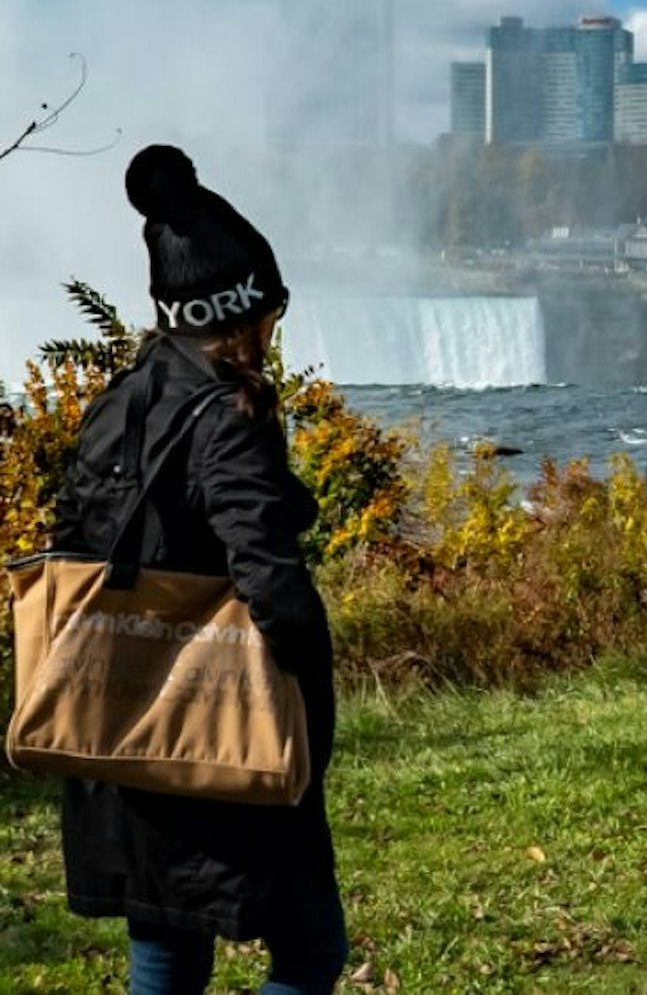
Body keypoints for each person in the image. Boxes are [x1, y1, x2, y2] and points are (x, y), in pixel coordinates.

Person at [52, 145, 347, 993]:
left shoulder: (117, 401)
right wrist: (299, 699)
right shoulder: (229, 416)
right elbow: (272, 584)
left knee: (167, 953)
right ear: (245, 312)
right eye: (271, 316)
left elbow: (73, 551)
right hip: (222, 738)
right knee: (309, 953)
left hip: (125, 730)